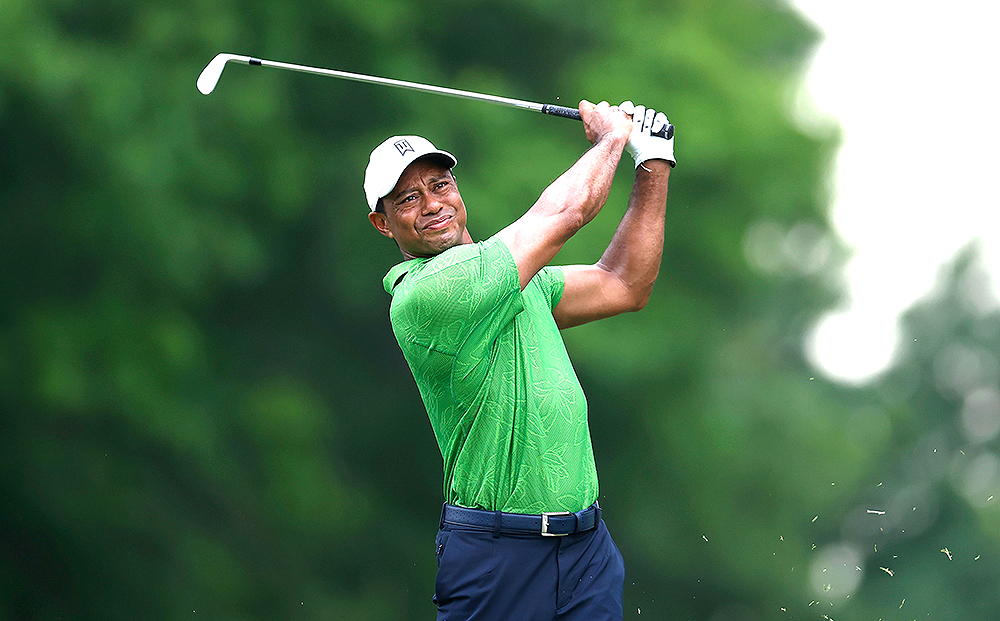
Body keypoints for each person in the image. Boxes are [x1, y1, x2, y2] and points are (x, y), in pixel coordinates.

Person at [365, 99, 674, 621]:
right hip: (498, 554)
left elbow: (624, 283)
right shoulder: (427, 293)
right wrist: (612, 139)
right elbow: (566, 212)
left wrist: (654, 165)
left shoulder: (515, 280)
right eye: (408, 199)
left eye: (440, 186)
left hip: (586, 548)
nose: (432, 204)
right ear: (383, 223)